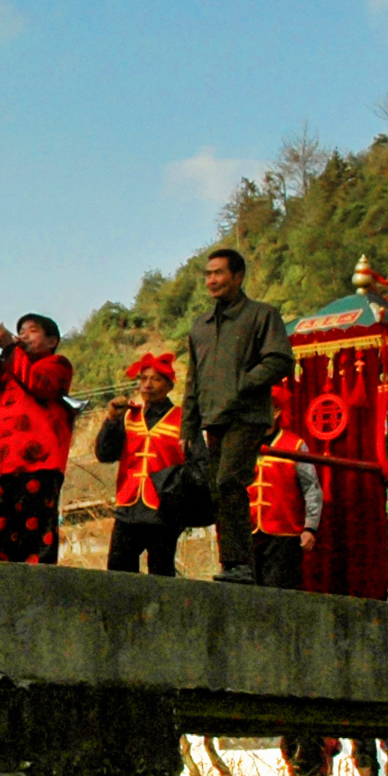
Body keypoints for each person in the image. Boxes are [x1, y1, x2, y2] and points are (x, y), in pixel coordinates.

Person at [185, 248, 294, 585]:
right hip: (212, 417)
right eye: (208, 274)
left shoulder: (262, 315)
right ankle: (233, 563)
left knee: (230, 480)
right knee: (218, 490)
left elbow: (279, 359)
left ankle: (240, 564)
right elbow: (193, 378)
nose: (212, 280)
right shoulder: (199, 327)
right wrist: (187, 426)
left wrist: (244, 383)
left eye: (218, 273)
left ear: (238, 276)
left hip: (247, 414)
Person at [0, 315, 76, 566]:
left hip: (39, 465)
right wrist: (4, 356)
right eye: (21, 331)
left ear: (52, 340)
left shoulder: (58, 364)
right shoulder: (10, 367)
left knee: (34, 534)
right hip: (2, 465)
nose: (24, 335)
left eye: (32, 331)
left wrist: (10, 350)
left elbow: (39, 385)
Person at [95, 352, 184, 576]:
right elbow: (105, 454)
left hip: (163, 509)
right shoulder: (127, 416)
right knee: (118, 569)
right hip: (129, 505)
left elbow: (196, 465)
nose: (147, 385)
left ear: (169, 385)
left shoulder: (182, 419)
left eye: (155, 379)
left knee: (161, 572)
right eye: (143, 379)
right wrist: (112, 421)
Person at [246, 380, 322, 591]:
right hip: (249, 531)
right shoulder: (243, 445)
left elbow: (311, 488)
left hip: (284, 533)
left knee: (278, 591)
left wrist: (310, 527)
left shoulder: (295, 445)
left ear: (277, 411)